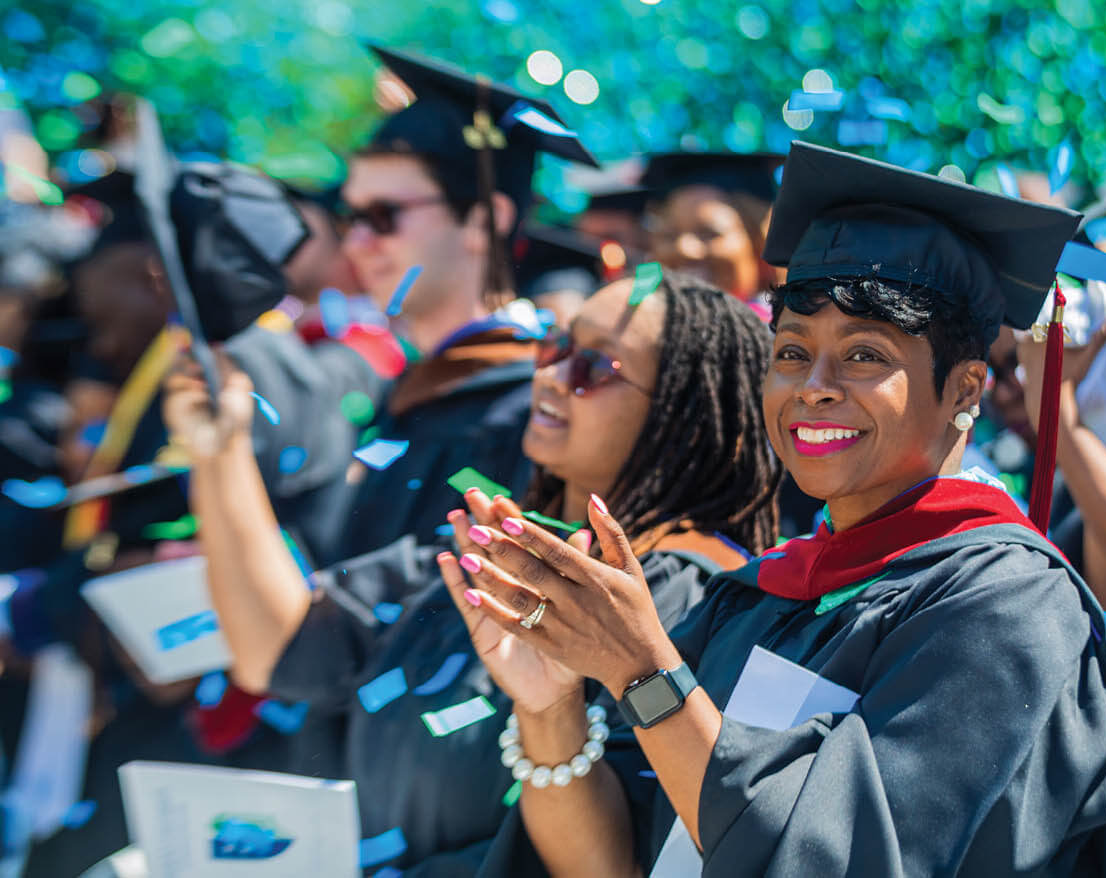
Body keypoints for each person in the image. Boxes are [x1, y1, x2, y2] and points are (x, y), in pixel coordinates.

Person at [441, 142, 1106, 876]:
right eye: (790, 352)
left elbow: (839, 861)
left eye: (866, 355)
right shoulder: (753, 596)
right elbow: (612, 864)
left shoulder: (1008, 608)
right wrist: (549, 704)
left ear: (965, 390)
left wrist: (641, 672)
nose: (814, 385)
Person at [161, 270, 782, 873]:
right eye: (557, 345)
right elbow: (278, 648)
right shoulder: (496, 540)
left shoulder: (681, 594)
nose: (551, 376)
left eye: (595, 368)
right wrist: (222, 450)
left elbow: (614, 866)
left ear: (686, 417)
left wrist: (550, 713)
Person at [227, 46, 600, 566]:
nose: (356, 243)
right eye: (348, 216)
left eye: (383, 216)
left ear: (483, 221)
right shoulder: (405, 388)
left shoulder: (532, 409)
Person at [641, 151, 782, 303]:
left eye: (709, 233)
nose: (684, 249)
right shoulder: (642, 322)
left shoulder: (784, 325)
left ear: (760, 244)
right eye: (669, 235)